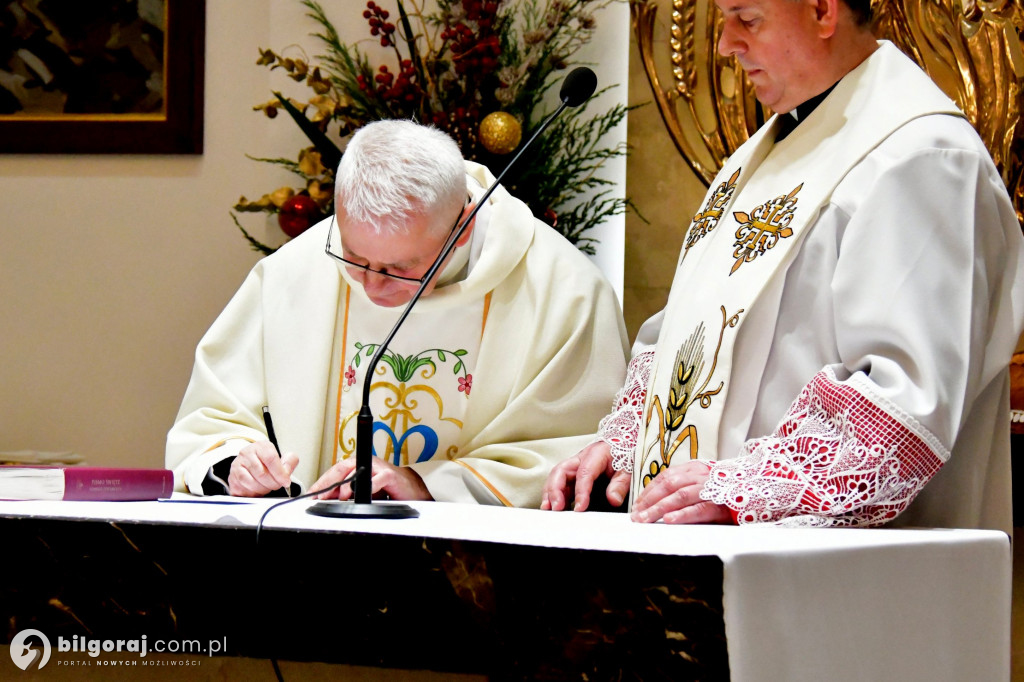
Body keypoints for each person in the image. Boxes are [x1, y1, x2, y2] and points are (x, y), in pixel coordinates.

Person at [542, 0, 1024, 530]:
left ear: (821, 11)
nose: (726, 44)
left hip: (850, 580)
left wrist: (740, 488)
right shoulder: (760, 155)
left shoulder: (920, 157)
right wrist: (626, 445)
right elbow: (685, 332)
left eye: (746, 19)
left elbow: (907, 400)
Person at [166, 120, 629, 507]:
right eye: (355, 257)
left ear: (462, 228)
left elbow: (580, 451)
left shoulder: (564, 290)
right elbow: (212, 419)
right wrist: (238, 464)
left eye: (398, 268)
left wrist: (427, 486)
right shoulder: (296, 270)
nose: (370, 285)